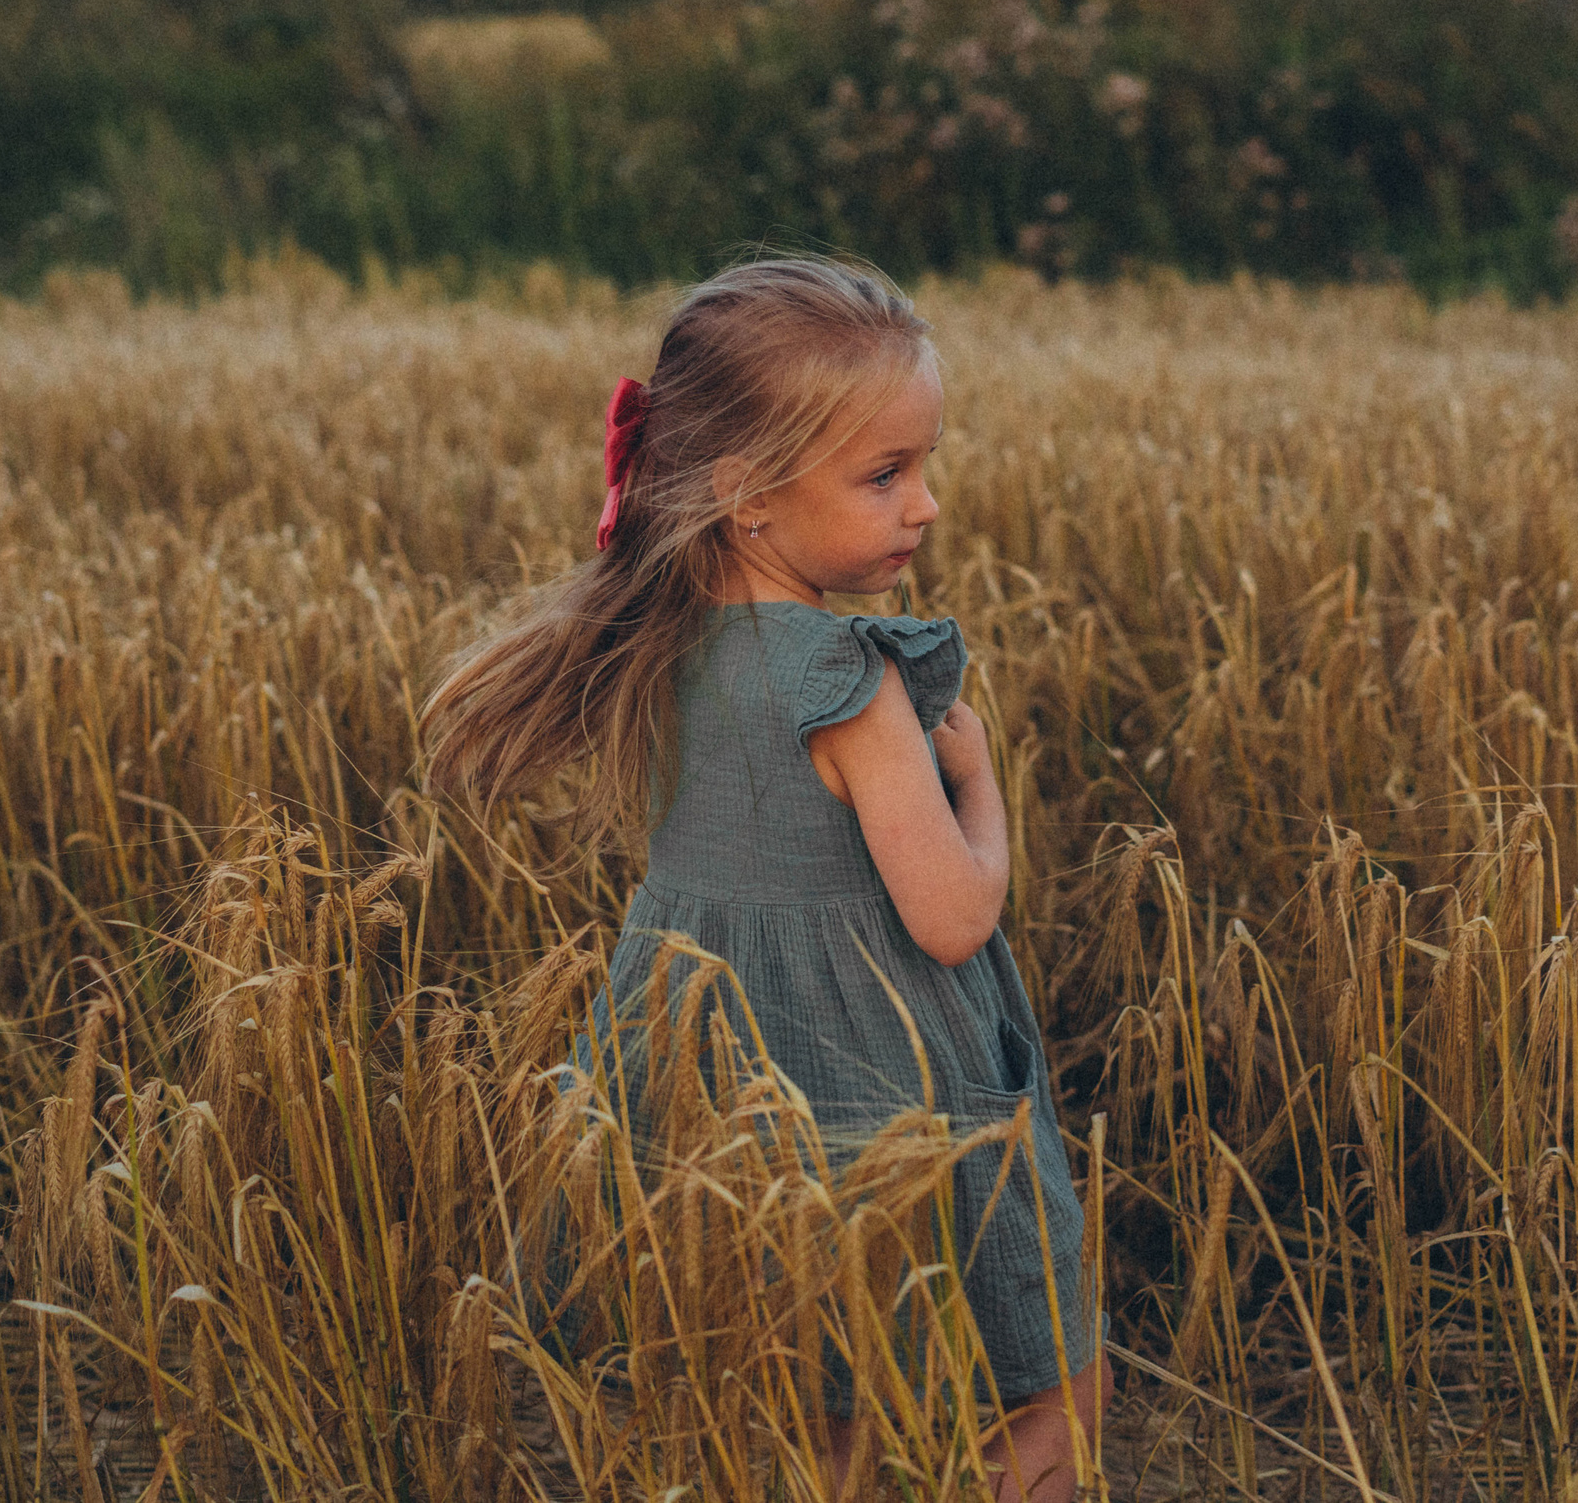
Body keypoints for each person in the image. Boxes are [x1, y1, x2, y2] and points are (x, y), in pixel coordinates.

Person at [417, 257, 1110, 1501]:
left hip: (708, 1082)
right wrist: (982, 788)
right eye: (885, 475)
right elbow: (952, 919)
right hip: (870, 1080)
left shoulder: (665, 642)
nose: (927, 507)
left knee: (800, 1415)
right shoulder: (849, 680)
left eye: (923, 466)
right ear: (743, 494)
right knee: (1059, 1385)